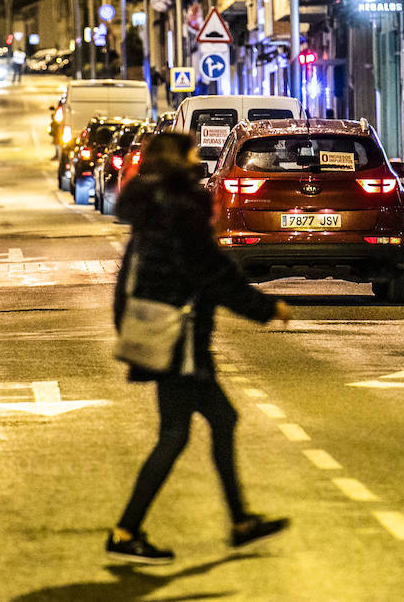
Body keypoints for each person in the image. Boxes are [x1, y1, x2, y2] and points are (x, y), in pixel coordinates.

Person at [108, 132, 293, 565]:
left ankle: (240, 521)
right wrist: (266, 308)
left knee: (220, 420)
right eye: (191, 152)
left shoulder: (154, 207)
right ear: (178, 160)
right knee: (175, 434)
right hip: (180, 337)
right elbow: (210, 271)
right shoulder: (180, 208)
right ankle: (126, 531)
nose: (198, 157)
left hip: (172, 330)